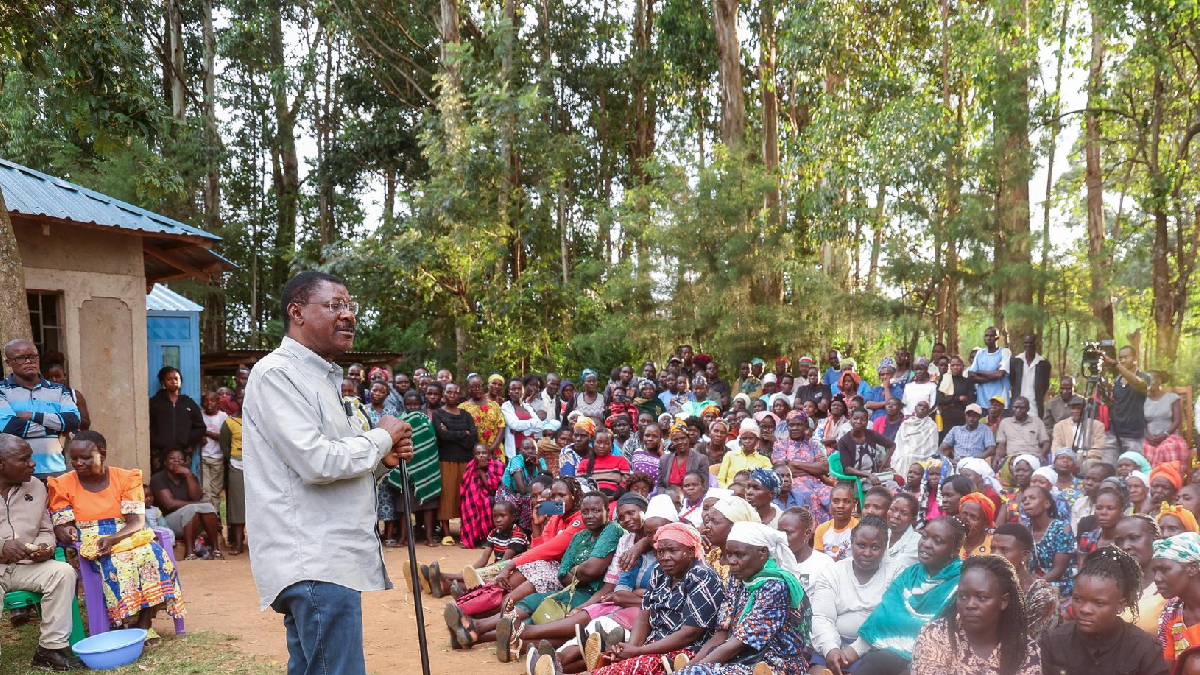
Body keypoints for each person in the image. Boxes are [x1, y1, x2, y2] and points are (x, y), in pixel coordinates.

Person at [241, 272, 415, 675]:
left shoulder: (322, 378)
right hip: (313, 558)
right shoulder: (277, 374)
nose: (347, 315)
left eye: (350, 306)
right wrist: (381, 438)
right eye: (334, 305)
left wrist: (380, 462)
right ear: (297, 313)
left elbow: (334, 465)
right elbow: (317, 461)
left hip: (325, 559)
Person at [48, 430, 184, 642]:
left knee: (152, 554)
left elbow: (137, 521)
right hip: (88, 541)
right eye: (73, 458)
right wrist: (67, 532)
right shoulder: (63, 483)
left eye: (85, 457)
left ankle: (144, 623)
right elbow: (61, 525)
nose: (77, 463)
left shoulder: (126, 478)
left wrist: (113, 538)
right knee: (118, 562)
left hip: (125, 534)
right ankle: (121, 620)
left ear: (102, 454)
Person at [677, 522, 813, 675]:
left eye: (740, 555)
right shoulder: (736, 578)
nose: (732, 561)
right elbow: (721, 633)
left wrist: (690, 671)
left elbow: (738, 643)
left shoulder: (775, 586)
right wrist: (689, 668)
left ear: (762, 553)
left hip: (775, 664)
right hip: (742, 659)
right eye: (729, 554)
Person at [0, 434, 85, 670]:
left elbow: (46, 529)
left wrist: (46, 548)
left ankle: (50, 650)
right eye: (24, 459)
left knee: (63, 572)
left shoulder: (36, 487)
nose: (33, 464)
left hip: (27, 566)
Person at [854, 517, 966, 674]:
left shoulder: (963, 582)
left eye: (938, 541)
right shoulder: (910, 574)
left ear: (955, 550)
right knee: (873, 662)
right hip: (891, 651)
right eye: (925, 536)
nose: (926, 543)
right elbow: (884, 615)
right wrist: (854, 650)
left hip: (935, 658)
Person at [1040, 546, 1167, 675]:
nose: (1085, 609)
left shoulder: (1144, 648)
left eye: (1099, 603)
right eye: (1078, 599)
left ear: (1121, 605)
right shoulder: (1053, 642)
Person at [910, 554, 1042, 675]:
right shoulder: (935, 634)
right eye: (963, 596)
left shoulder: (1025, 650)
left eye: (982, 598)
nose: (970, 605)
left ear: (1003, 601)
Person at [811, 515, 901, 674]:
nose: (867, 553)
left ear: (885, 546)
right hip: (836, 642)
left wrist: (856, 649)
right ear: (851, 542)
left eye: (875, 547)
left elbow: (890, 620)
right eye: (861, 545)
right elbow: (822, 617)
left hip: (876, 647)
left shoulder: (897, 572)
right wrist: (831, 648)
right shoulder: (833, 572)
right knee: (818, 671)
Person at [1, 338, 82, 478]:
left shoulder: (59, 390)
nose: (28, 361)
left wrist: (33, 416)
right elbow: (10, 427)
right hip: (18, 476)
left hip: (56, 472)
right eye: (21, 358)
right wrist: (56, 427)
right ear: (9, 362)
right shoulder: (2, 391)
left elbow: (73, 421)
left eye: (32, 356)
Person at [989, 522, 1060, 640]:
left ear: (1025, 555)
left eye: (1004, 550)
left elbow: (1031, 644)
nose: (995, 555)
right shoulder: (990, 584)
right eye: (993, 548)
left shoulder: (1042, 597)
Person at [150, 448, 223, 559]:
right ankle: (189, 552)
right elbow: (169, 504)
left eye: (180, 459)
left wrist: (189, 475)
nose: (176, 461)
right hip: (167, 523)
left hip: (192, 522)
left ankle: (216, 550)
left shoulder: (188, 476)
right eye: (172, 458)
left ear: (184, 462)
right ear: (165, 462)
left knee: (207, 507)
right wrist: (197, 504)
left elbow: (196, 496)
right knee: (191, 509)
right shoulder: (158, 479)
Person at [433, 381, 479, 545]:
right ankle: (446, 533)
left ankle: (464, 531)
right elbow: (442, 436)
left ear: (459, 395)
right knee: (447, 497)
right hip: (446, 461)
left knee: (466, 497)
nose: (452, 395)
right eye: (449, 392)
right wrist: (462, 434)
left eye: (455, 393)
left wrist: (452, 433)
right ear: (444, 394)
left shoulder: (466, 415)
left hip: (466, 461)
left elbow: (473, 437)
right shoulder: (438, 414)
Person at [772, 410, 832, 524]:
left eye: (799, 424)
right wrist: (813, 468)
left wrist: (795, 463)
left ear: (805, 426)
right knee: (806, 495)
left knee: (830, 493)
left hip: (816, 482)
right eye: (791, 425)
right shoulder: (780, 445)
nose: (794, 428)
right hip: (792, 482)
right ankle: (809, 532)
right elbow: (783, 470)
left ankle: (829, 531)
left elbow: (824, 468)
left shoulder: (813, 445)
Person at [1113, 515, 1168, 635]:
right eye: (1119, 542)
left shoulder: (1170, 586)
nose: (1125, 547)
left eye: (1133, 538)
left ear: (1155, 539)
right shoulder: (1113, 585)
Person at [1099, 346, 1151, 466]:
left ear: (1135, 358)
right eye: (1120, 358)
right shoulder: (1117, 380)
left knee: (1130, 471)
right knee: (1107, 468)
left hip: (1133, 435)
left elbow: (1136, 381)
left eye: (1126, 357)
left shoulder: (1144, 377)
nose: (1123, 360)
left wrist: (1115, 364)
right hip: (1114, 432)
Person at [148, 365, 205, 472]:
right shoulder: (154, 402)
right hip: (160, 451)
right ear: (163, 382)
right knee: (160, 480)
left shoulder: (189, 403)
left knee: (181, 480)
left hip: (183, 451)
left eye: (176, 379)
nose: (173, 381)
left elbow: (200, 427)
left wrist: (187, 439)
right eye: (169, 379)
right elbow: (146, 425)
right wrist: (156, 440)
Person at [1021, 485, 1074, 597]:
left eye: (1032, 498)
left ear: (1047, 504)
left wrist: (1034, 585)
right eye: (1024, 499)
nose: (1026, 502)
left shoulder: (1062, 528)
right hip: (1031, 584)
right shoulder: (1025, 530)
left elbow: (1059, 569)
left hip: (1058, 585)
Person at [778, 507, 833, 592]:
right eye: (779, 532)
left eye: (788, 533)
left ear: (807, 534)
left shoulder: (824, 564)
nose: (781, 537)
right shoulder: (775, 562)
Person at [219, 389, 248, 555]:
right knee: (237, 506)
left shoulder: (259, 418)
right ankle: (238, 543)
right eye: (240, 397)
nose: (244, 400)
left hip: (258, 467)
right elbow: (225, 446)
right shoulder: (229, 423)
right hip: (237, 465)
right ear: (235, 400)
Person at [1143, 370, 1188, 466]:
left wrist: (1165, 434)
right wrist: (1148, 437)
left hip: (1170, 436)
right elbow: (1142, 423)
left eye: (1151, 379)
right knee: (1143, 448)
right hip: (1150, 438)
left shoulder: (1172, 397)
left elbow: (1177, 421)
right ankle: (1150, 479)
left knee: (1168, 448)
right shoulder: (1142, 400)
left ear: (1159, 380)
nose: (1148, 382)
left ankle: (1171, 479)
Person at [995, 396, 1050, 467]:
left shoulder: (1037, 421)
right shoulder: (1005, 422)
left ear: (1028, 409)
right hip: (1012, 457)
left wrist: (1042, 455)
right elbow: (1001, 444)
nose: (1018, 410)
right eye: (1016, 407)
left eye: (1022, 408)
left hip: (1033, 457)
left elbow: (1046, 442)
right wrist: (998, 456)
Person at [461, 374, 506, 459]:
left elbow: (501, 427)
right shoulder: (463, 408)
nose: (477, 389)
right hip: (475, 454)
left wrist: (491, 449)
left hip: (495, 451)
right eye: (473, 387)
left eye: (480, 386)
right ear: (468, 389)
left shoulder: (494, 405)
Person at [717, 419, 772, 488]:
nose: (747, 441)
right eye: (744, 438)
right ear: (740, 440)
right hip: (729, 493)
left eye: (750, 438)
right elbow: (720, 480)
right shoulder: (730, 455)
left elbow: (767, 482)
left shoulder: (764, 460)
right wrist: (730, 490)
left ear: (757, 440)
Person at [42, 355, 90, 430]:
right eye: (50, 377)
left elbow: (86, 424)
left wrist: (69, 416)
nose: (54, 380)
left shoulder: (75, 395)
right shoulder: (40, 396)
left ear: (64, 376)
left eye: (57, 376)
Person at [813, 482, 859, 561]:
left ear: (854, 504)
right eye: (835, 501)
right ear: (830, 503)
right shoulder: (822, 529)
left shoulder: (859, 528)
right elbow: (818, 561)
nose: (840, 506)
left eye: (847, 501)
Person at [1051, 398, 1105, 464]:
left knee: (1088, 464)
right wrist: (1069, 457)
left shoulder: (1097, 425)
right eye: (1073, 408)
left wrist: (1082, 456)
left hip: (1089, 458)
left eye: (1079, 408)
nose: (1075, 411)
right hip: (1066, 458)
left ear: (1085, 410)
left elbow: (1099, 446)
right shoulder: (1059, 426)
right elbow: (1056, 446)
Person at [580, 429, 633, 496]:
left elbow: (625, 483)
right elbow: (581, 485)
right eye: (599, 442)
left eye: (606, 443)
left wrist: (613, 497)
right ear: (593, 443)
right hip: (591, 498)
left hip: (615, 498)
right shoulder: (584, 463)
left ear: (611, 445)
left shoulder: (621, 461)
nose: (602, 446)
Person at [1009, 334, 1051, 419]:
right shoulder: (1016, 361)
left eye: (1031, 343)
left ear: (1036, 344)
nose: (1028, 345)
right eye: (1026, 343)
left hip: (1034, 408)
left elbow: (1045, 385)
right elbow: (1012, 380)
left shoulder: (1043, 363)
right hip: (1017, 407)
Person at [968, 327, 1012, 408]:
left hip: (1000, 402)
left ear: (997, 337)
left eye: (992, 336)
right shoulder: (980, 353)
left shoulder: (1005, 352)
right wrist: (993, 374)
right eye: (986, 335)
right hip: (982, 403)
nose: (988, 338)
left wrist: (979, 372)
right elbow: (971, 375)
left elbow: (1000, 374)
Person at [197, 391, 228, 504]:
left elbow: (222, 437)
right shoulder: (199, 415)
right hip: (203, 456)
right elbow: (194, 431)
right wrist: (200, 436)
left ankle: (214, 515)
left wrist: (204, 432)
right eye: (205, 401)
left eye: (212, 401)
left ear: (218, 402)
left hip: (218, 457)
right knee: (205, 489)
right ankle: (208, 515)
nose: (209, 404)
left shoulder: (223, 417)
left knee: (216, 489)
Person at [935, 356, 975, 434]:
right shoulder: (944, 380)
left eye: (958, 365)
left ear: (963, 366)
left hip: (962, 416)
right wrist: (958, 398)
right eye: (953, 365)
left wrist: (949, 400)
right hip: (947, 417)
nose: (955, 367)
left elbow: (969, 401)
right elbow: (940, 400)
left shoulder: (968, 382)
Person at [886, 492, 921, 569]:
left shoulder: (917, 543)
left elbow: (895, 570)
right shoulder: (881, 534)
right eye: (893, 509)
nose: (896, 516)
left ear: (913, 519)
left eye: (904, 513)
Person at [960, 492, 997, 558]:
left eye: (974, 517)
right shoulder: (952, 541)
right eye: (964, 514)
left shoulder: (994, 545)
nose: (966, 520)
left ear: (985, 524)